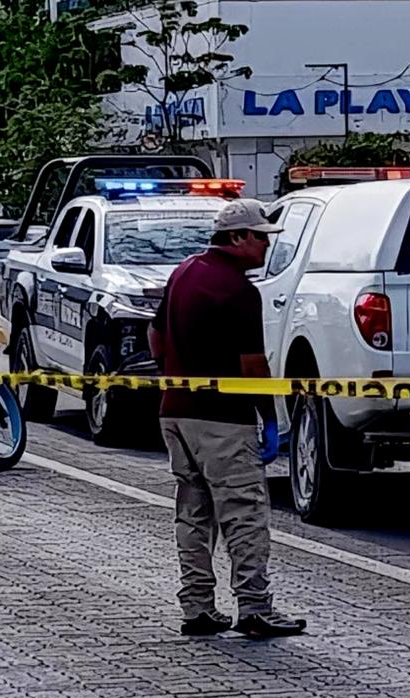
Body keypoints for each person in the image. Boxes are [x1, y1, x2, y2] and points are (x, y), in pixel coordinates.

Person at [148, 198, 306, 639]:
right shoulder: (237, 291)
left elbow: (155, 331)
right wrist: (271, 419)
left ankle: (197, 606)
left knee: (194, 513)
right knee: (244, 512)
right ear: (237, 238)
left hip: (176, 413)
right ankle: (254, 606)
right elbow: (253, 366)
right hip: (223, 420)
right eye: (259, 237)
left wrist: (170, 373)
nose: (264, 246)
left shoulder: (183, 273)